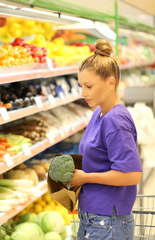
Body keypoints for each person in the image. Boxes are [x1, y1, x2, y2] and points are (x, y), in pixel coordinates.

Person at [70, 39, 142, 240]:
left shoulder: (116, 121)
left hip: (108, 221)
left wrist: (85, 177)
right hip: (92, 218)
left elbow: (132, 175)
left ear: (111, 83)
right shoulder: (98, 113)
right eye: (81, 86)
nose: (83, 93)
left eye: (89, 86)